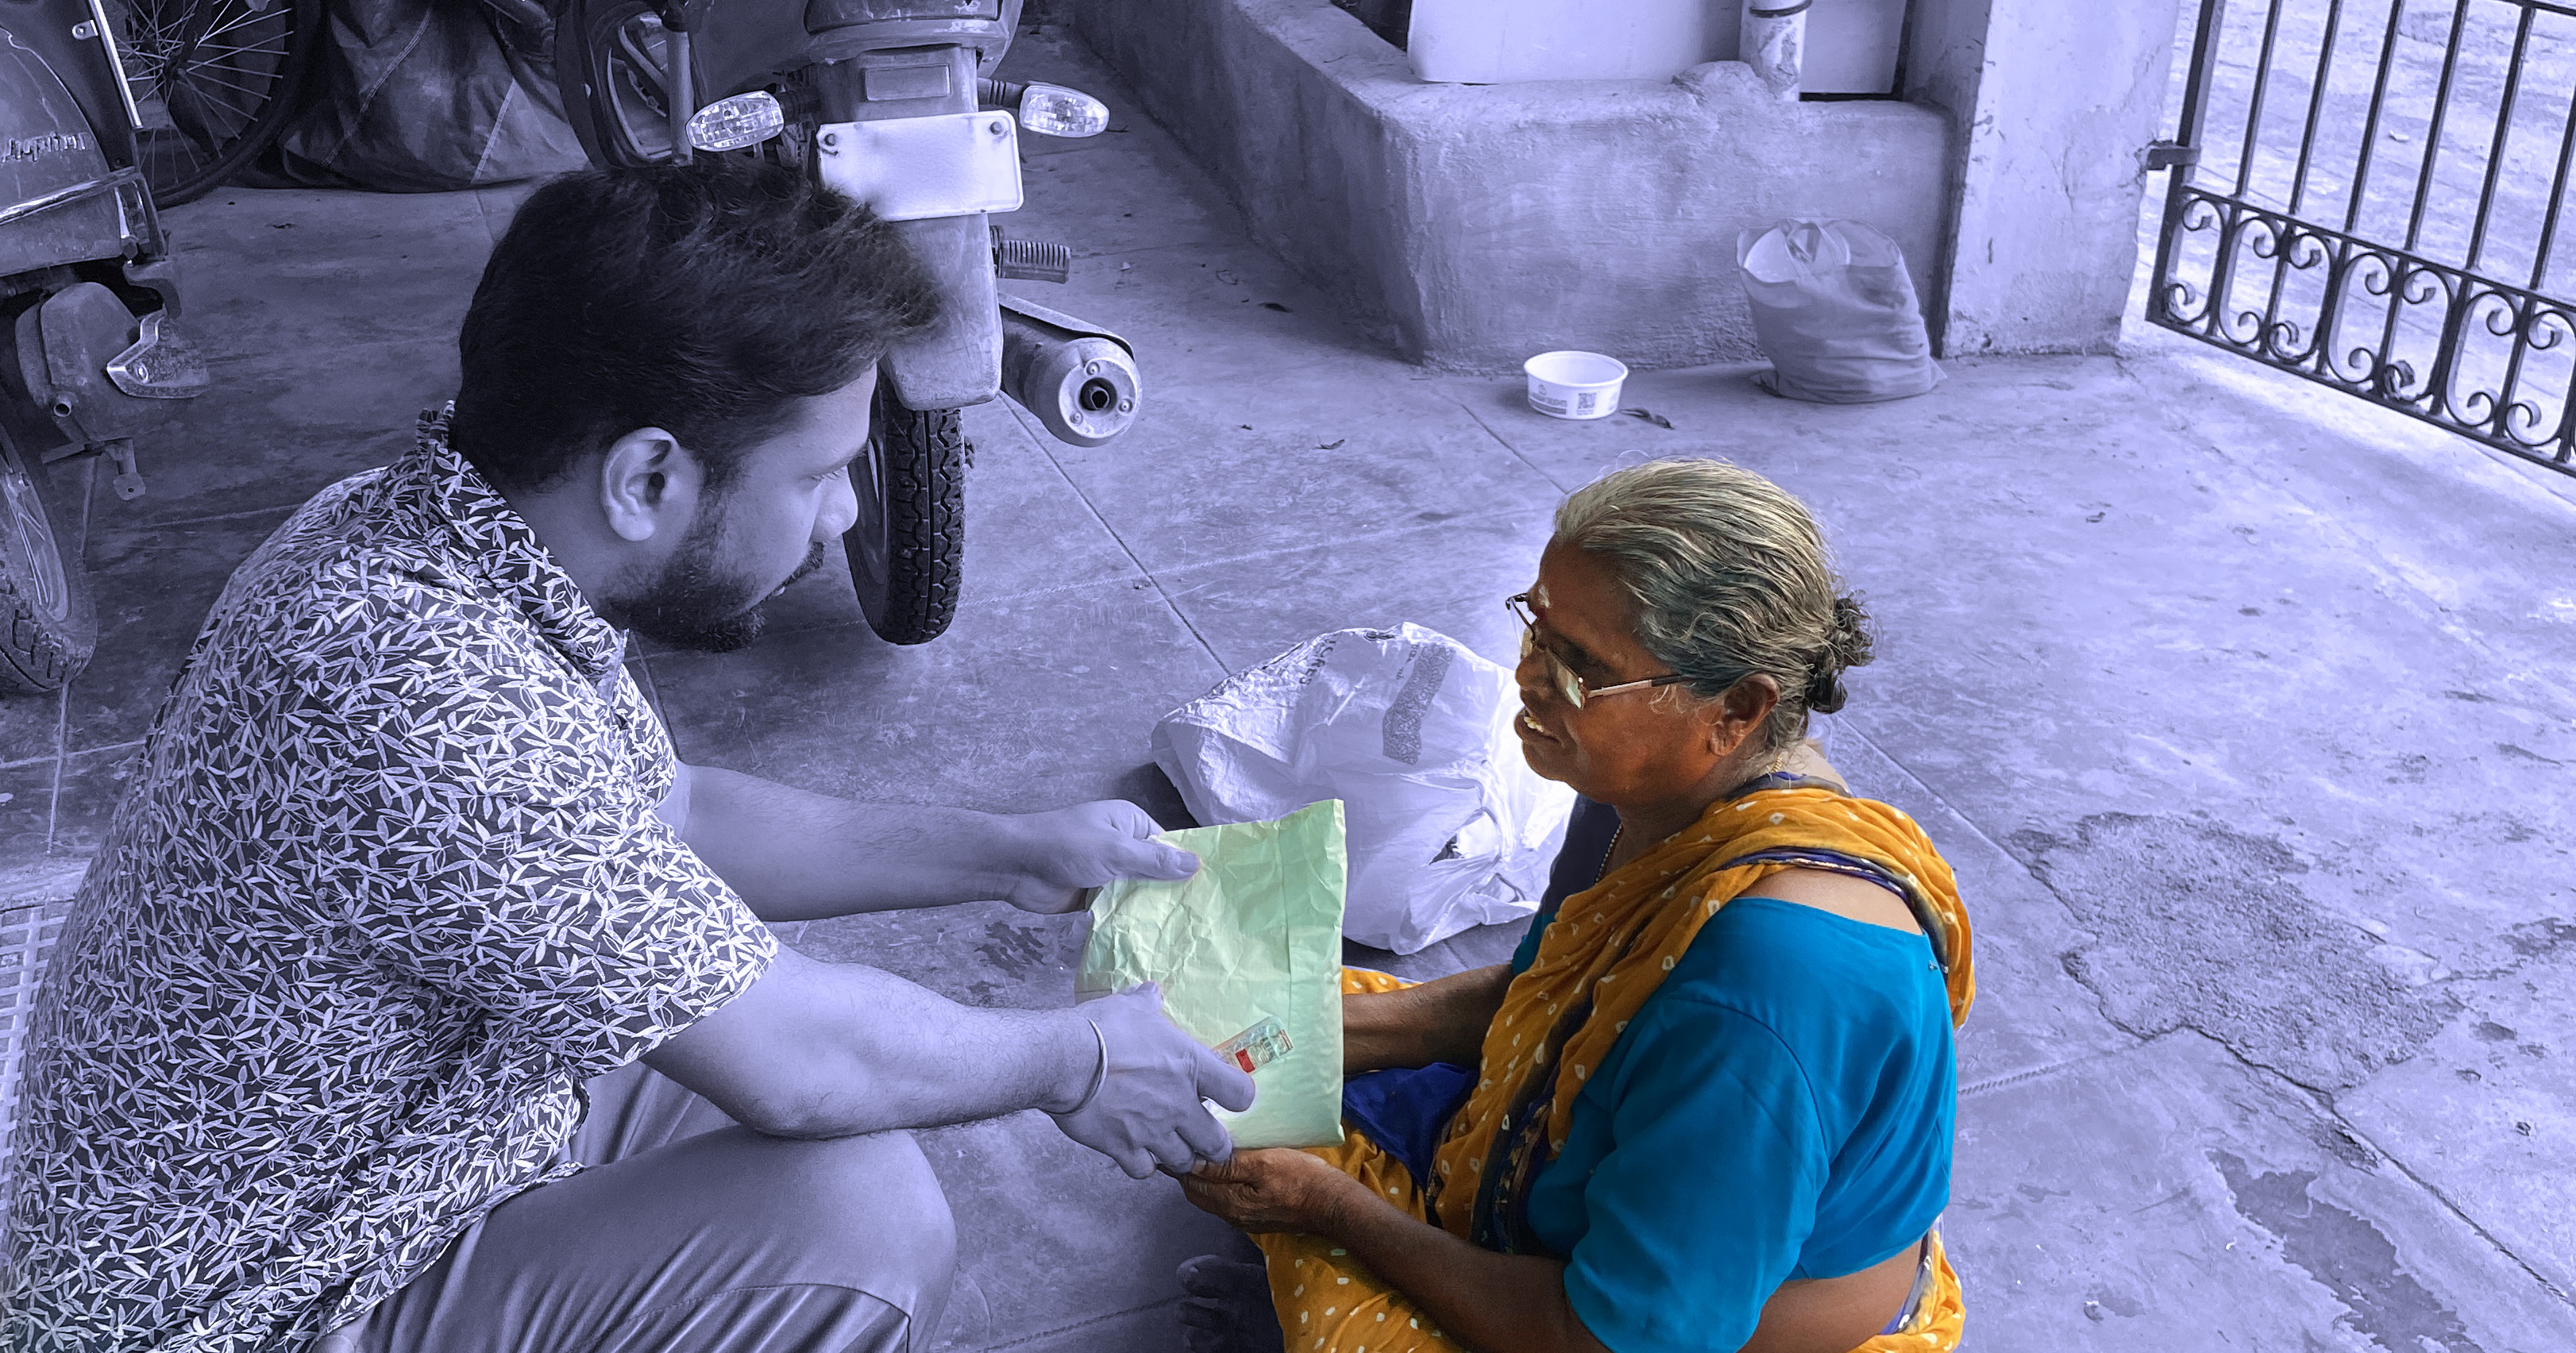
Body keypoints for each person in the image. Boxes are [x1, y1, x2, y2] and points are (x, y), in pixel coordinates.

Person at [0, 159, 1254, 1353]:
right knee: (856, 1220)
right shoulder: (414, 697)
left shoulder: (438, 529)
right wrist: (1075, 1054)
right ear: (648, 477)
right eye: (821, 473)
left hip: (395, 1143)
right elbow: (802, 1067)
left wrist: (1008, 851)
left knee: (776, 1021)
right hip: (249, 1300)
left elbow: (675, 813)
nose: (849, 514)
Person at [1177, 458, 1976, 1353]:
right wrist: (1308, 1036)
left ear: (1735, 710)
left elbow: (1605, 1338)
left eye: (1581, 668)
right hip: (1659, 1214)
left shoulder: (1760, 1001)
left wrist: (1327, 1208)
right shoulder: (1651, 786)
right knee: (1275, 1025)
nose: (1527, 678)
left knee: (1324, 1267)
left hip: (1648, 1334)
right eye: (1535, 629)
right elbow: (1542, 993)